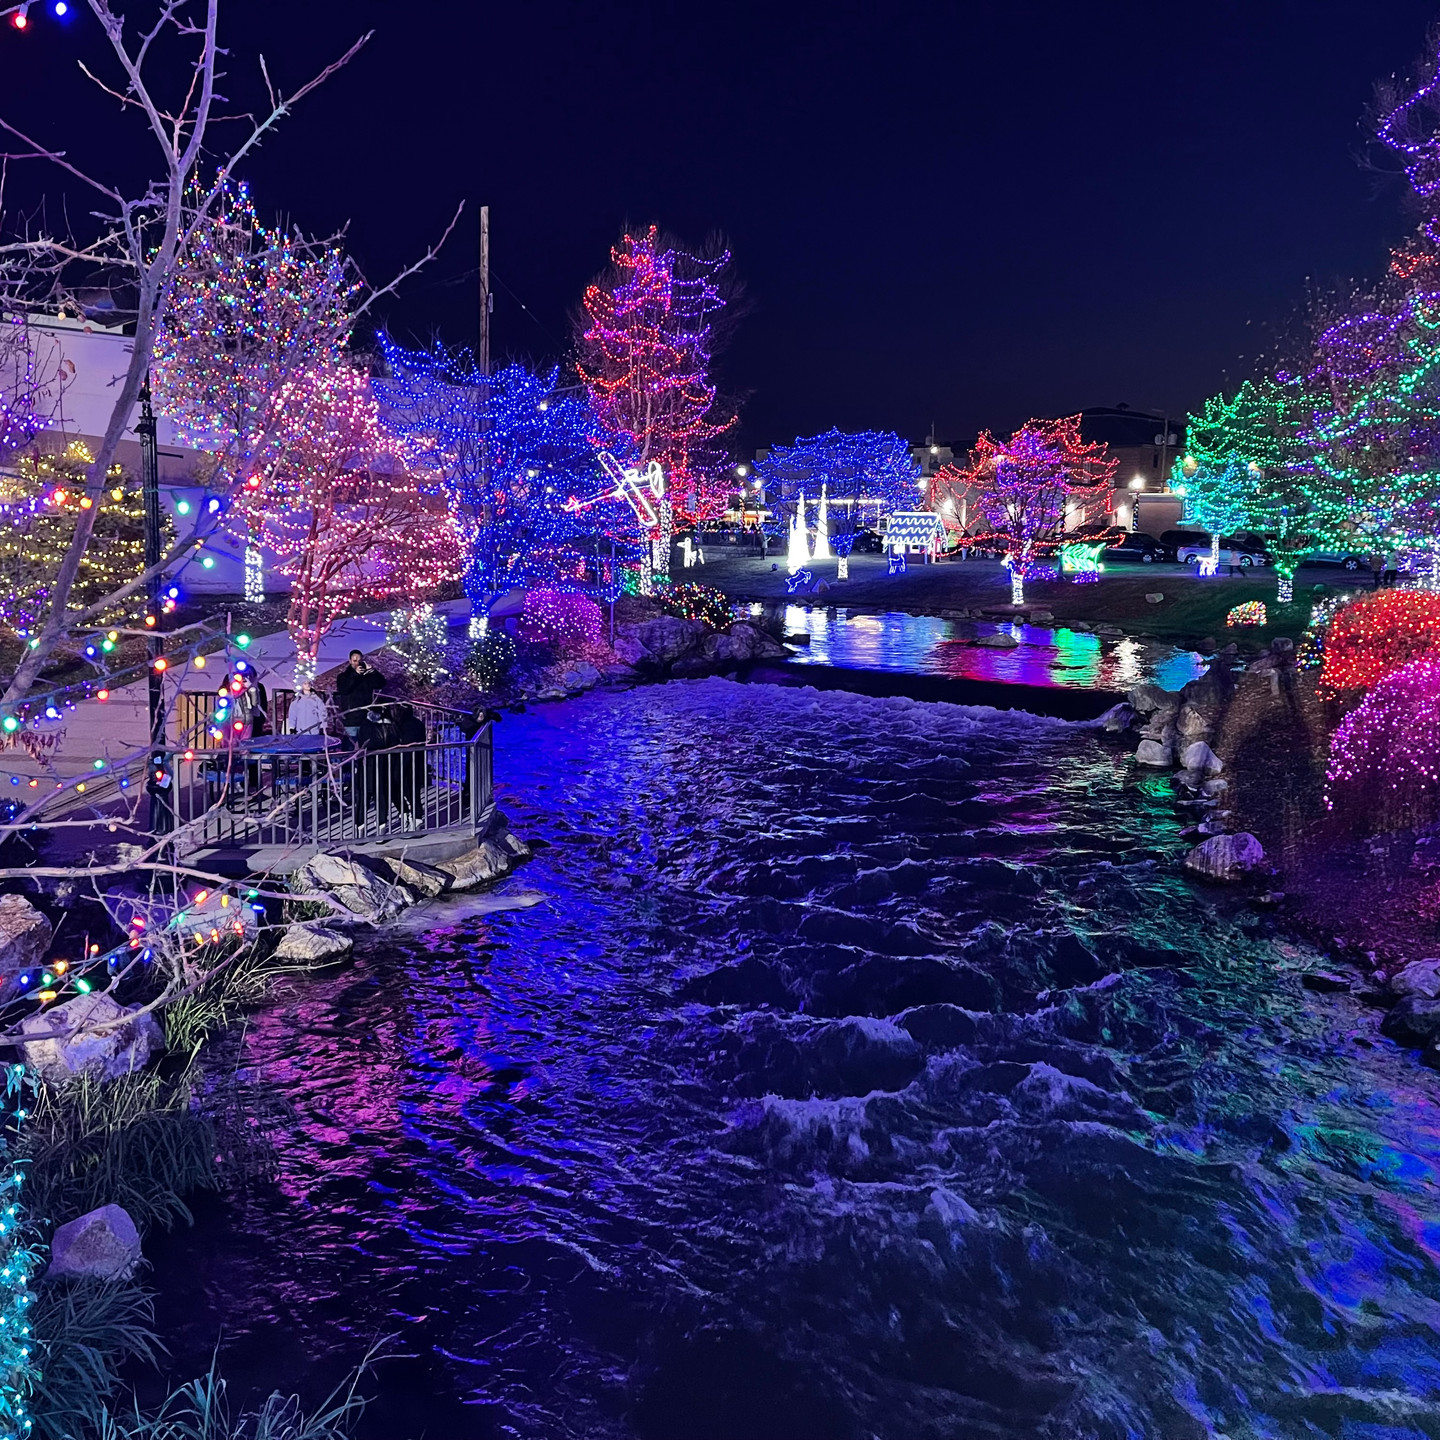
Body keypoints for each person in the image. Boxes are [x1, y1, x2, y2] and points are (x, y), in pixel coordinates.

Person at [335, 650, 384, 741]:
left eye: (359, 661)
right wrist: (355, 675)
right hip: (351, 718)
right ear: (350, 661)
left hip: (365, 718)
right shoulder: (343, 676)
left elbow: (381, 683)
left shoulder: (367, 676)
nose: (357, 663)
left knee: (366, 745)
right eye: (354, 661)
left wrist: (373, 672)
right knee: (350, 745)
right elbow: (344, 689)